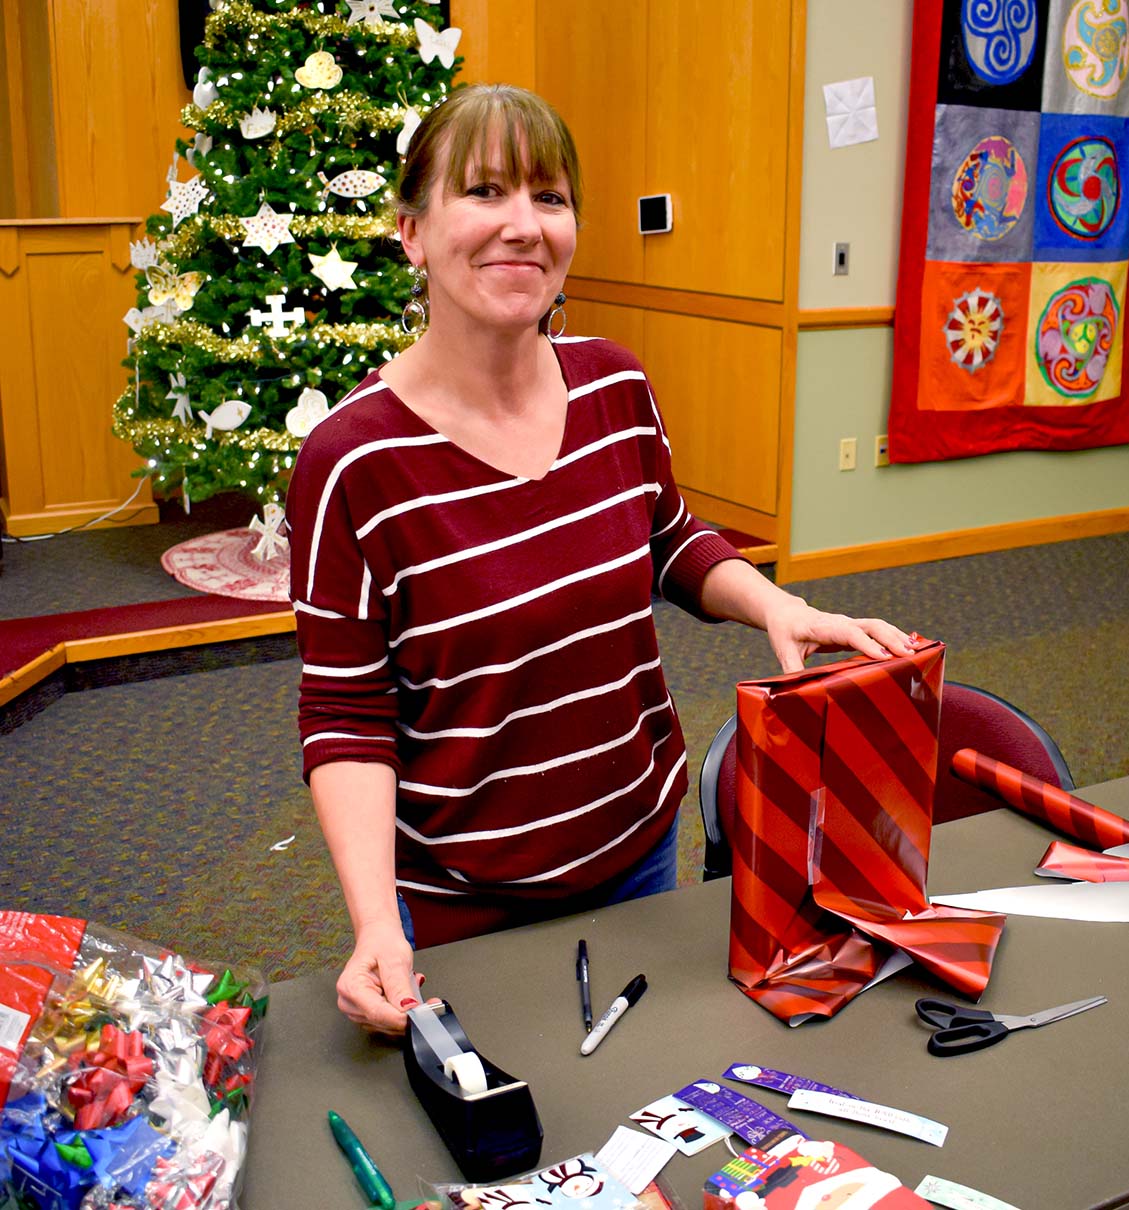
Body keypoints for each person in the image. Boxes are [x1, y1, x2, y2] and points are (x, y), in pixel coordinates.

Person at [285, 84, 913, 1034]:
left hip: (642, 852)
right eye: (485, 191)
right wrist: (377, 922)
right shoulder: (352, 462)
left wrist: (773, 607)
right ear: (411, 232)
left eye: (549, 196)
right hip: (467, 905)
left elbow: (667, 536)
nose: (524, 226)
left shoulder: (615, 382)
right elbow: (344, 714)